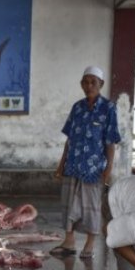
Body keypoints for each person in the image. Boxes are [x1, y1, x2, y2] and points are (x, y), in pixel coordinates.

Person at [52, 66, 121, 259]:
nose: (89, 86)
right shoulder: (77, 107)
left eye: (93, 82)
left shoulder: (108, 108)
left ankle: (90, 244)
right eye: (86, 82)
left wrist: (108, 169)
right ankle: (69, 241)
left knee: (91, 206)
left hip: (94, 168)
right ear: (81, 84)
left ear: (101, 84)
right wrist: (61, 164)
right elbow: (69, 139)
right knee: (68, 203)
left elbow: (111, 142)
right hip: (73, 164)